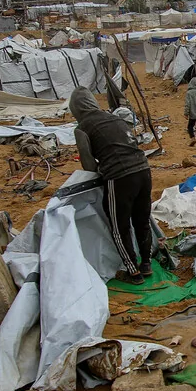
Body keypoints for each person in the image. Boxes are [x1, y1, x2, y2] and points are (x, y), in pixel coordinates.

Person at [70, 87, 152, 284]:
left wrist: (101, 170)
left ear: (76, 109)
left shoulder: (82, 128)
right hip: (143, 170)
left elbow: (88, 164)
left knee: (119, 226)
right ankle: (146, 263)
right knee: (142, 220)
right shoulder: (114, 118)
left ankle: (133, 272)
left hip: (120, 177)